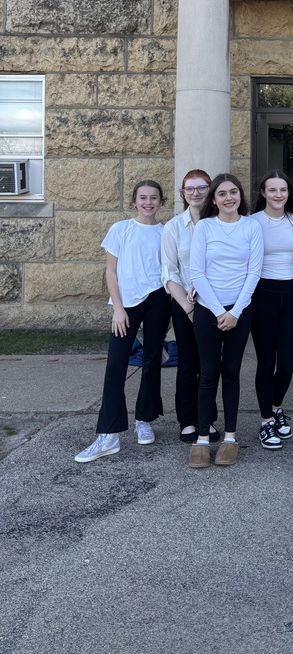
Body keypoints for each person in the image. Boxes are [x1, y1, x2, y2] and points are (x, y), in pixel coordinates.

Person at [75, 180, 171, 462]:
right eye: (143, 197)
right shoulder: (120, 229)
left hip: (157, 300)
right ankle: (109, 435)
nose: (148, 202)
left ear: (161, 202)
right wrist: (118, 308)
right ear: (134, 202)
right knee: (115, 366)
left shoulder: (166, 233)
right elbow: (110, 272)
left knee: (152, 360)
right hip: (126, 304)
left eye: (154, 198)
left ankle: (145, 419)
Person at [187, 174, 263, 468]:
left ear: (240, 196)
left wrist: (235, 312)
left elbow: (253, 272)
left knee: (231, 371)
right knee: (208, 373)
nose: (228, 198)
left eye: (233, 192)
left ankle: (230, 437)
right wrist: (220, 312)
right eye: (222, 194)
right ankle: (203, 437)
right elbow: (197, 273)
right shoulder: (204, 227)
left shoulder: (251, 226)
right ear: (214, 199)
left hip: (240, 310)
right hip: (208, 310)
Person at [161, 168, 220, 444]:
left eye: (202, 187)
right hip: (184, 303)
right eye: (190, 188)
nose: (196, 193)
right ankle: (188, 420)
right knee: (187, 363)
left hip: (215, 305)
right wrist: (187, 306)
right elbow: (169, 272)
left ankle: (206, 419)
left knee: (209, 364)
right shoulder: (173, 227)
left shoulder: (220, 222)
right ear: (183, 194)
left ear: (210, 190)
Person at [250, 170, 293, 451]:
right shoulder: (253, 223)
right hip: (263, 294)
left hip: (291, 292)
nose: (278, 195)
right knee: (266, 361)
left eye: (283, 190)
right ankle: (265, 420)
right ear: (263, 193)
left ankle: (276, 406)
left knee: (288, 363)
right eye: (272, 190)